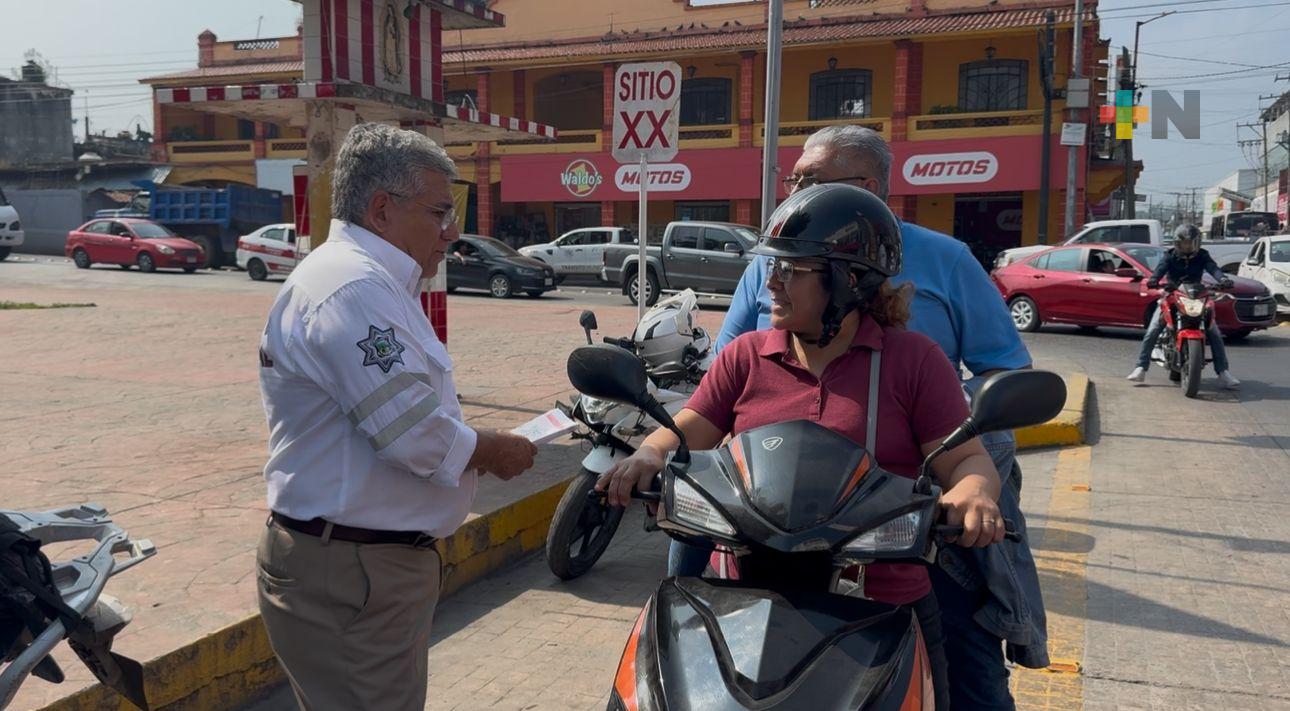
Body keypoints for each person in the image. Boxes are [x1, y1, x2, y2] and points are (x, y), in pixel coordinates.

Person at [599, 184, 1006, 709]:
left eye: (790, 270)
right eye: (771, 266)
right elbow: (689, 425)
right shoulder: (746, 354)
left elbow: (967, 460)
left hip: (882, 601)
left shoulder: (913, 361)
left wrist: (974, 493)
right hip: (739, 599)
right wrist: (648, 454)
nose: (770, 282)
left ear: (848, 281)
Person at [707, 125, 1045, 709]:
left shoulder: (945, 267)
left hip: (900, 507)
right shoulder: (777, 259)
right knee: (684, 577)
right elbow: (724, 372)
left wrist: (955, 462)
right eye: (792, 181)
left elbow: (1005, 372)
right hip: (772, 505)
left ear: (863, 189)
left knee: (970, 660)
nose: (792, 192)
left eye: (808, 182)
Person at [255, 123, 537, 711]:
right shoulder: (351, 287)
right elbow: (412, 433)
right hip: (352, 573)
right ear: (382, 209)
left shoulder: (371, 281)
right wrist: (495, 451)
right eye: (439, 211)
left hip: (364, 569)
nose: (452, 233)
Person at [1128, 224, 1240, 388]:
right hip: (1173, 295)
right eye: (1184, 243)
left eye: (1191, 243)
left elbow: (1213, 269)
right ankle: (1140, 368)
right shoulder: (1170, 256)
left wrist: (1222, 279)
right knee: (1153, 330)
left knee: (1214, 332)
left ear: (1197, 243)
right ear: (1177, 243)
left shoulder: (1203, 255)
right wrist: (1154, 280)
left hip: (1196, 295)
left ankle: (1223, 372)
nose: (1188, 246)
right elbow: (1160, 270)